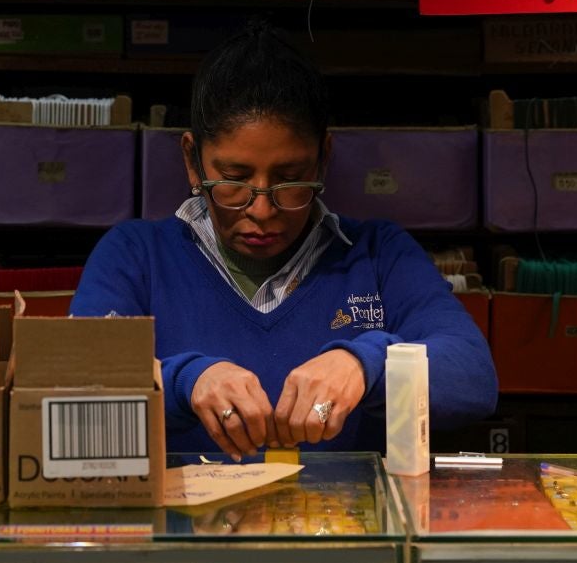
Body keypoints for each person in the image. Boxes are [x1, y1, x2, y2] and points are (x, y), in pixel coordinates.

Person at [70, 24, 498, 459]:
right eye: (234, 180)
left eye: (290, 180)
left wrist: (364, 364)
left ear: (324, 160)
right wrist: (186, 380)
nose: (261, 210)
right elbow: (73, 386)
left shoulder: (378, 254)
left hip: (342, 523)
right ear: (192, 162)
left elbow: (473, 376)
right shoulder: (136, 256)